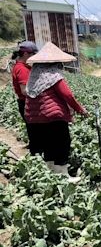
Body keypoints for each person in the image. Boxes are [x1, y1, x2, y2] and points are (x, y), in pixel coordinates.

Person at [24, 42, 88, 181]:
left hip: (36, 118)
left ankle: (52, 174)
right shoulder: (53, 75)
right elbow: (67, 95)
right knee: (62, 143)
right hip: (53, 117)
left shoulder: (34, 75)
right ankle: (63, 176)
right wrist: (80, 109)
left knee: (48, 144)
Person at [11, 41, 38, 147]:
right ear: (26, 54)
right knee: (34, 131)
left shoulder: (22, 66)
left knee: (33, 130)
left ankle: (35, 150)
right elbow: (25, 91)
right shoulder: (22, 69)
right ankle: (36, 152)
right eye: (33, 54)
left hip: (25, 103)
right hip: (27, 103)